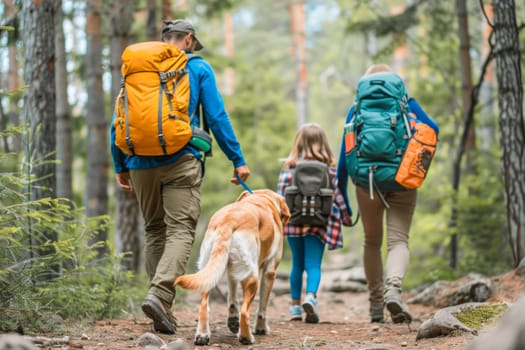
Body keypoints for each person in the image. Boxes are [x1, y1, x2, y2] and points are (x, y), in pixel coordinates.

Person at [110, 19, 250, 334]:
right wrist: (237, 159)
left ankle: (161, 306)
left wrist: (120, 164)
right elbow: (215, 116)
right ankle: (160, 295)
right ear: (188, 39)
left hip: (138, 162)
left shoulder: (137, 73)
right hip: (181, 159)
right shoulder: (198, 69)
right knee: (181, 230)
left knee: (155, 230)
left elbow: (119, 118)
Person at [336, 63, 439, 324]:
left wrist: (343, 201)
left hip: (366, 181)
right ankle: (393, 290)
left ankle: (375, 305)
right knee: (399, 242)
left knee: (372, 242)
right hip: (402, 179)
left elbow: (344, 157)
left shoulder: (356, 109)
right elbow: (433, 129)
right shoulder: (407, 106)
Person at [277, 123, 352, 323]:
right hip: (319, 223)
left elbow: (280, 197)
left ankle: (294, 308)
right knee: (313, 264)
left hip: (293, 222)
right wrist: (346, 216)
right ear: (323, 144)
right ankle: (310, 297)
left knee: (296, 264)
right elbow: (338, 198)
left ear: (299, 143)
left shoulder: (289, 169)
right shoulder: (330, 171)